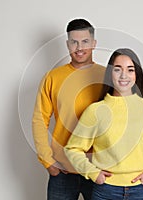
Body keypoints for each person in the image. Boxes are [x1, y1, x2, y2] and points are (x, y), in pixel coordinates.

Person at [64, 48, 143, 200]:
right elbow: (73, 148)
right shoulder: (96, 110)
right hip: (106, 191)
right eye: (117, 69)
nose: (123, 75)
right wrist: (94, 173)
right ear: (110, 74)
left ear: (136, 74)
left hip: (141, 191)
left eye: (130, 69)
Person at [32, 18, 105, 200]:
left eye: (85, 41)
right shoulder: (52, 78)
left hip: (98, 169)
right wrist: (48, 162)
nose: (79, 47)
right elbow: (39, 120)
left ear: (94, 43)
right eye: (74, 42)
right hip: (62, 171)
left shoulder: (107, 76)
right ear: (67, 44)